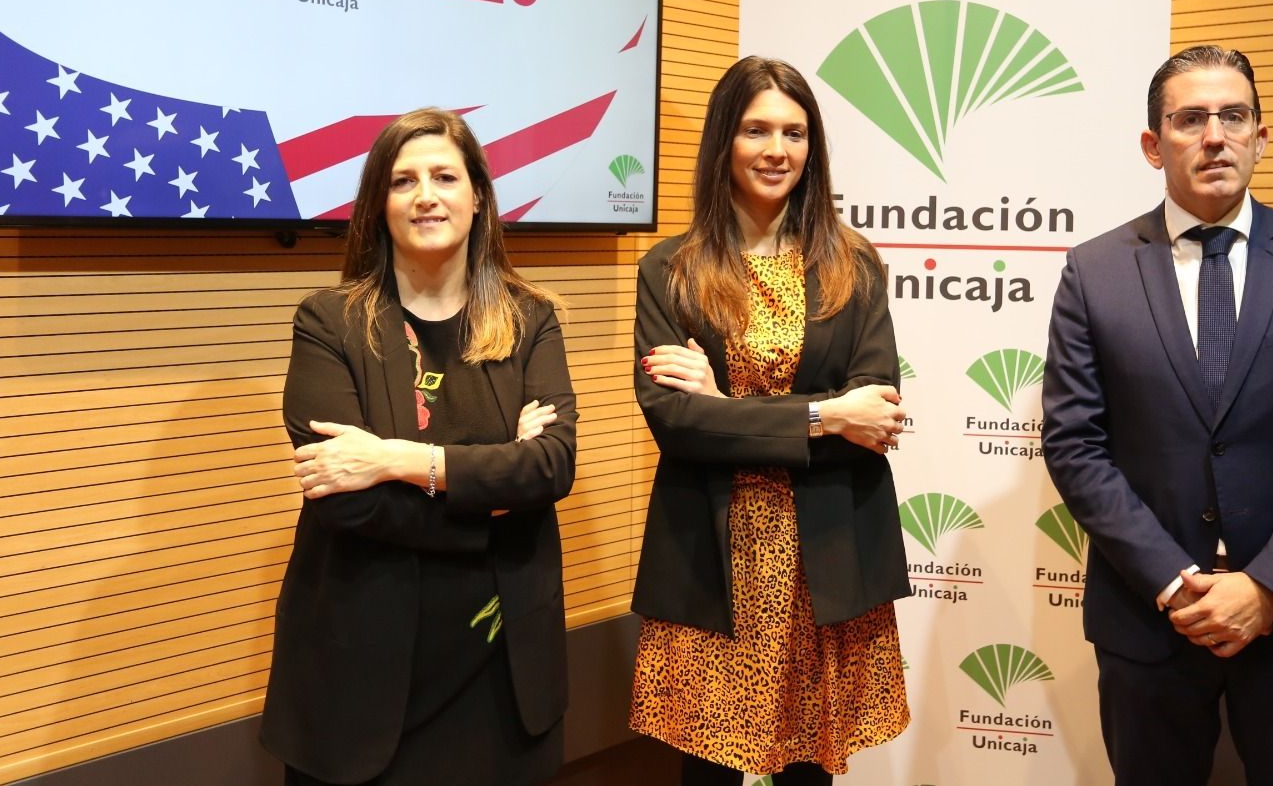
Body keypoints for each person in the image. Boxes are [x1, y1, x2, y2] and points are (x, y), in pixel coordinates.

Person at [1040, 45, 1273, 785]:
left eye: (1234, 116)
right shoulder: (1094, 272)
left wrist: (1266, 587)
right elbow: (1076, 445)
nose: (1214, 136)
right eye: (1190, 119)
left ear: (1260, 136)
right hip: (1151, 624)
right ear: (1153, 144)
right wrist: (1175, 583)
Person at [260, 108, 578, 786]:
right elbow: (346, 506)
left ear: (479, 198)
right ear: (378, 205)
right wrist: (491, 500)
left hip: (501, 676)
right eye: (403, 181)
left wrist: (398, 461)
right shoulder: (328, 323)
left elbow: (550, 467)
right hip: (361, 685)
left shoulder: (531, 320)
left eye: (444, 176)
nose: (426, 195)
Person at [628, 56, 912, 786]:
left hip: (826, 555)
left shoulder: (855, 264)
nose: (776, 150)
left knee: (809, 769)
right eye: (756, 129)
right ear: (725, 140)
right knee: (708, 768)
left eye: (794, 131)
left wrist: (726, 407)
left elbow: (874, 413)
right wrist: (822, 415)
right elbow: (676, 424)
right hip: (711, 555)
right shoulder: (671, 270)